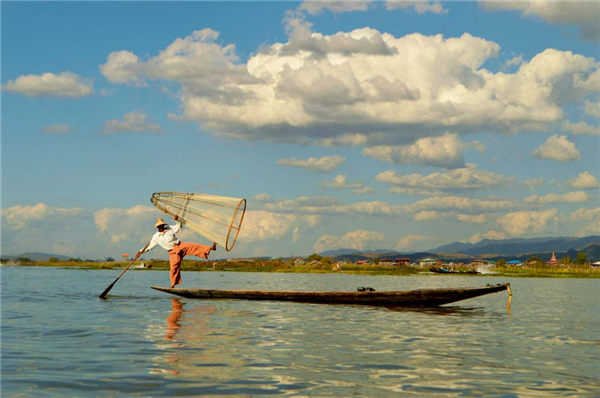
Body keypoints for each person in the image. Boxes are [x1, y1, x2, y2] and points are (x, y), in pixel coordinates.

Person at [138, 215, 216, 288]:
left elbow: (178, 227)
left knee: (194, 247)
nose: (161, 227)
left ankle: (211, 248)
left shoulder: (169, 228)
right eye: (159, 226)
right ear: (157, 227)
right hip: (172, 252)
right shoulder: (155, 237)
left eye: (162, 225)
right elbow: (149, 246)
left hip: (180, 245)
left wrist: (177, 220)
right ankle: (173, 284)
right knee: (174, 268)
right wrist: (140, 252)